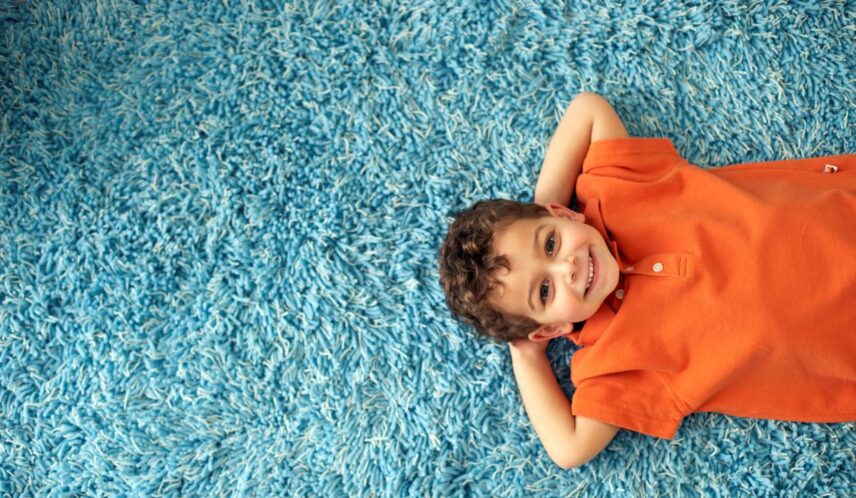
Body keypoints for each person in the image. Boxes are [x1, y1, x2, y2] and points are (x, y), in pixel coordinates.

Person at [438, 93, 856, 469]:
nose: (566, 268)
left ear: (563, 214)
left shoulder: (615, 186)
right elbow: (567, 449)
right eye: (545, 291)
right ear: (551, 329)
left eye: (550, 244)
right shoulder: (615, 366)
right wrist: (526, 354)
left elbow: (587, 109)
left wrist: (543, 207)